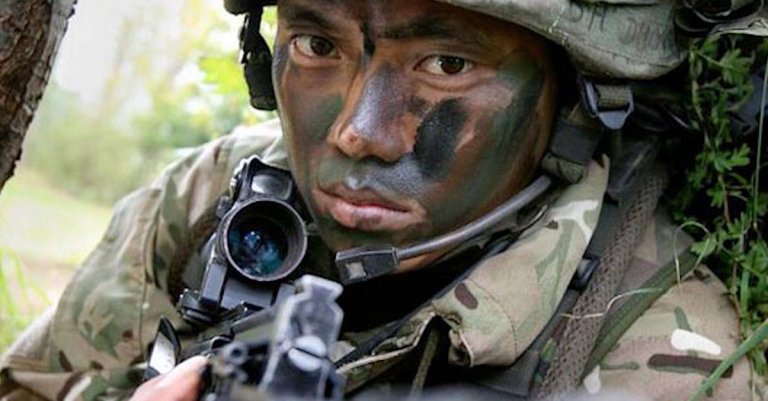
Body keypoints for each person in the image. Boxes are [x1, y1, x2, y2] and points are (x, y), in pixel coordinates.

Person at [1, 0, 765, 400]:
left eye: (447, 63)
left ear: (572, 102)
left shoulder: (669, 357)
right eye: (318, 45)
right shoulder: (211, 198)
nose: (359, 132)